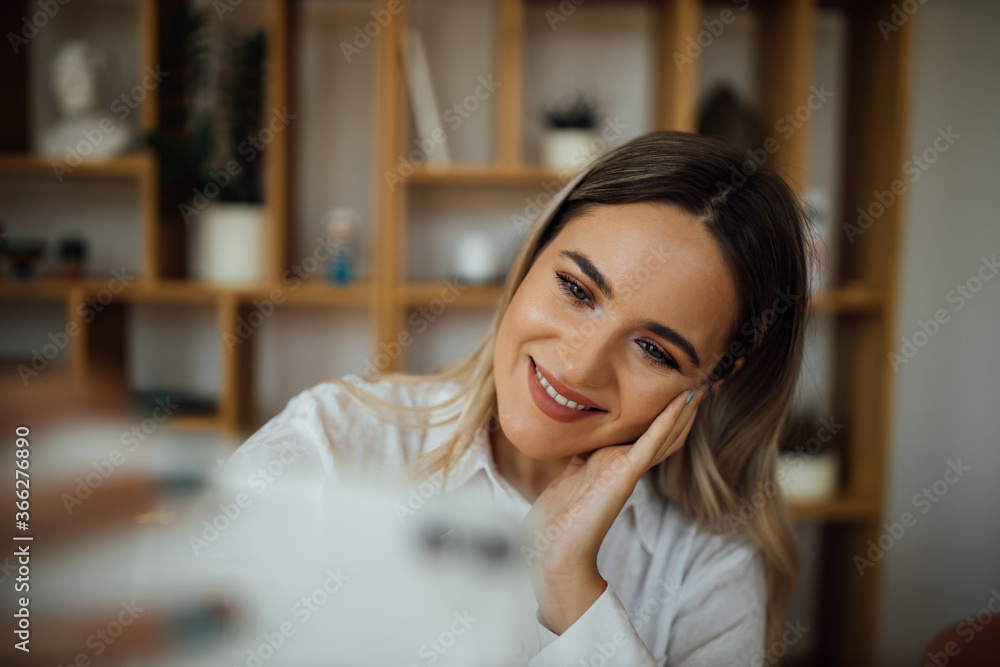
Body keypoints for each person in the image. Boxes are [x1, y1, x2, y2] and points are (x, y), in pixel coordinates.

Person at [228, 130, 807, 666]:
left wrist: (568, 585)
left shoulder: (709, 567)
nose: (580, 365)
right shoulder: (331, 445)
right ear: (531, 259)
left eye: (655, 351)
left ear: (715, 377)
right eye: (576, 290)